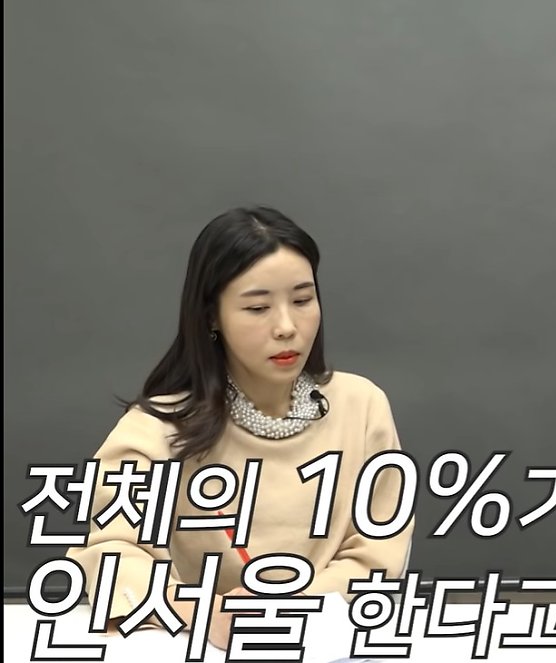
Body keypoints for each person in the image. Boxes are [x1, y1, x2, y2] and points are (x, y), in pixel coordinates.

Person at [66, 206, 413, 649]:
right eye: (257, 307)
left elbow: (378, 552)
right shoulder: (157, 429)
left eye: (303, 300)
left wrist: (293, 605)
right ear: (212, 316)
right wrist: (202, 612)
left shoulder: (361, 406)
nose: (287, 327)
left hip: (327, 642)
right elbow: (108, 556)